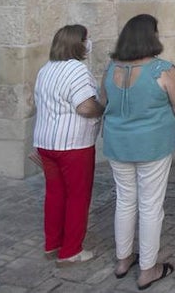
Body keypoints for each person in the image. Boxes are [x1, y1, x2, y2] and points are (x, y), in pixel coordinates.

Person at [99, 14, 175, 290]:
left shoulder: (110, 69)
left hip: (118, 144)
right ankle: (148, 268)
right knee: (150, 205)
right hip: (152, 145)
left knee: (125, 201)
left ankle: (123, 259)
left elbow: (103, 102)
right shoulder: (163, 70)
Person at [33, 25, 103, 266]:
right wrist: (102, 109)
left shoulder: (45, 69)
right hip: (73, 145)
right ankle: (71, 250)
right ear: (78, 43)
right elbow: (84, 106)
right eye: (87, 39)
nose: (89, 43)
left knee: (54, 194)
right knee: (77, 197)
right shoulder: (77, 70)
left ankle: (53, 244)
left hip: (46, 142)